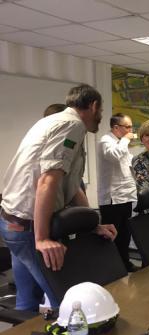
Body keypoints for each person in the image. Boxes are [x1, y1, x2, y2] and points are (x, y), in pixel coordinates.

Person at [0, 84, 117, 311]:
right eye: (101, 111)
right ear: (93, 106)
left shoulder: (52, 122)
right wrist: (42, 238)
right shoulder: (72, 125)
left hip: (13, 222)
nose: (101, 117)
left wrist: (93, 224)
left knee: (27, 302)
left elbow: (71, 186)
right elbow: (48, 180)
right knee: (69, 303)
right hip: (26, 226)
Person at [97, 113, 138, 272]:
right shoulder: (105, 141)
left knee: (125, 234)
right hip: (112, 198)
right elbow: (114, 156)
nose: (130, 130)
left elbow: (127, 166)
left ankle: (124, 263)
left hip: (126, 195)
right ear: (116, 127)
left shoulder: (121, 143)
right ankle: (111, 267)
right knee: (112, 235)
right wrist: (127, 139)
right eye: (127, 127)